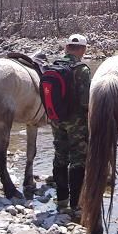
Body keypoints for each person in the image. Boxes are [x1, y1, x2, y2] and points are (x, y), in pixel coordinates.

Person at [50, 33, 91, 214]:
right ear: (82, 49)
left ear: (67, 48)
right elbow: (85, 101)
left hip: (56, 119)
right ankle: (76, 204)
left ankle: (61, 201)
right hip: (76, 122)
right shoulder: (82, 69)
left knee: (60, 156)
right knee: (77, 160)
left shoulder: (54, 66)